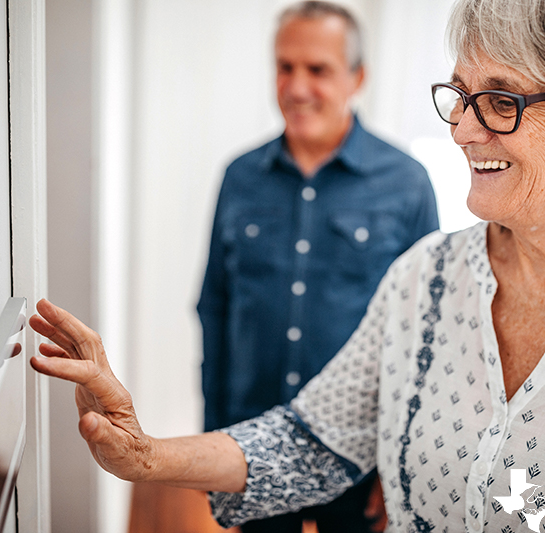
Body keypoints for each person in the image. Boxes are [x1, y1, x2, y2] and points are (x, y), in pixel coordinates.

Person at [29, 0, 545, 531]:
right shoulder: (426, 278)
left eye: (500, 100)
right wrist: (145, 454)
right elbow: (309, 438)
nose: (460, 128)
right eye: (459, 94)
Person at [196, 2, 438, 531]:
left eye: (318, 70)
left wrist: (401, 461)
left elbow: (425, 332)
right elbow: (213, 307)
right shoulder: (239, 177)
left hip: (358, 453)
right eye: (285, 67)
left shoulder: (407, 183)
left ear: (358, 77)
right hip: (254, 444)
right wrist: (215, 436)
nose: (297, 86)